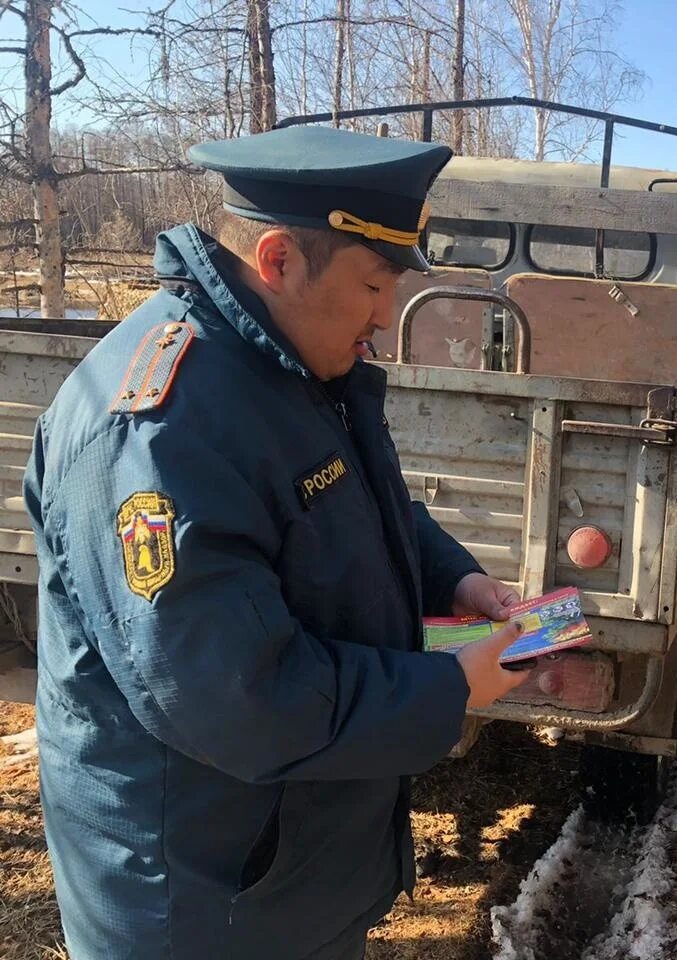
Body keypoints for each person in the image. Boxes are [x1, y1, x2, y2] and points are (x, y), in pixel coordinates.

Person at [23, 125, 531, 960]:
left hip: (283, 875)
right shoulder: (162, 429)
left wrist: (455, 581)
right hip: (201, 902)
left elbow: (356, 505)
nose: (385, 317)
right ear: (279, 260)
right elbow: (234, 698)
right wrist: (448, 689)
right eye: (373, 285)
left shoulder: (277, 364)